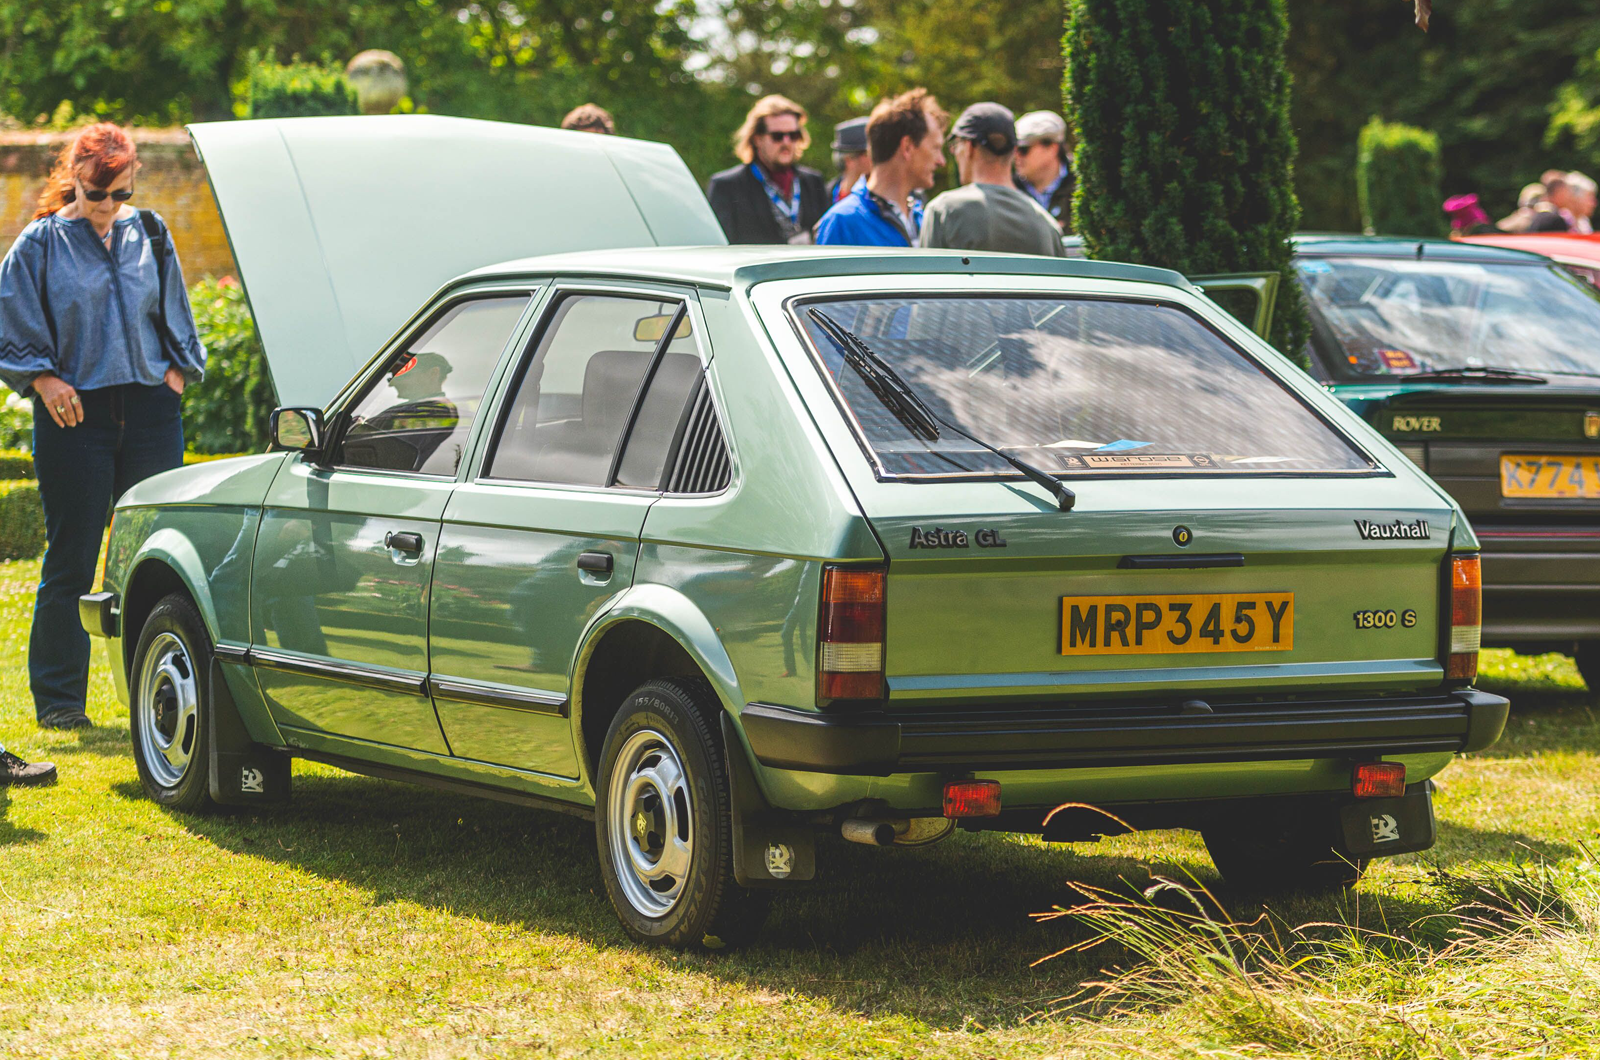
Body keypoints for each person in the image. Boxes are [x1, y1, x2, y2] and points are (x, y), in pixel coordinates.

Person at [0, 123, 205, 730]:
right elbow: (10, 322)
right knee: (72, 559)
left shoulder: (153, 232)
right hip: (75, 420)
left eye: (120, 193)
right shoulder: (40, 244)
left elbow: (177, 313)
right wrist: (43, 379)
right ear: (74, 181)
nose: (108, 208)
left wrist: (175, 377)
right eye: (97, 195)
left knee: (162, 557)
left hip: (149, 414)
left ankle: (161, 695)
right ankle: (61, 702)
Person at [920, 103, 1065, 257]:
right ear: (1014, 152)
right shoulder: (1048, 225)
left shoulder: (943, 211)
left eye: (956, 145)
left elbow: (925, 277)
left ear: (969, 147)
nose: (954, 153)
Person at [814, 88, 948, 247]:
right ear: (907, 147)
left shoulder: (921, 217)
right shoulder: (842, 222)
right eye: (936, 148)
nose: (942, 161)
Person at [706, 95, 828, 244]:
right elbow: (721, 248)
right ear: (757, 139)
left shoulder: (813, 182)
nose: (786, 142)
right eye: (778, 136)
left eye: (793, 135)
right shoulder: (727, 186)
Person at [1012, 110, 1074, 232]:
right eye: (1013, 149)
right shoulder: (1009, 190)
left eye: (1023, 149)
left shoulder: (1082, 187)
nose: (1016, 156)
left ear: (1052, 148)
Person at [828, 117, 872, 204]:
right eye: (867, 153)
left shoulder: (879, 196)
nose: (874, 157)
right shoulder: (824, 195)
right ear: (849, 160)